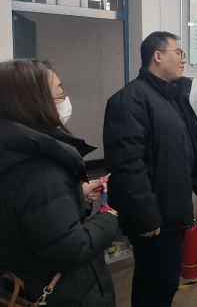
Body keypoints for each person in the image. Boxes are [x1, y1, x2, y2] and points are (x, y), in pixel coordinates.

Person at [103, 31, 197, 307]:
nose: (183, 59)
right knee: (160, 284)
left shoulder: (170, 96)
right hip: (155, 217)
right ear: (158, 56)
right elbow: (127, 166)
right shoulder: (130, 99)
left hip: (171, 207)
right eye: (179, 53)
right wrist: (147, 217)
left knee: (154, 281)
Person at [0, 59, 119, 306]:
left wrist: (75, 194)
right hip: (62, 293)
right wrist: (108, 219)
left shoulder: (11, 152)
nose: (65, 99)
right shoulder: (42, 173)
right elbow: (70, 250)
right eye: (60, 93)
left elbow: (27, 212)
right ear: (34, 103)